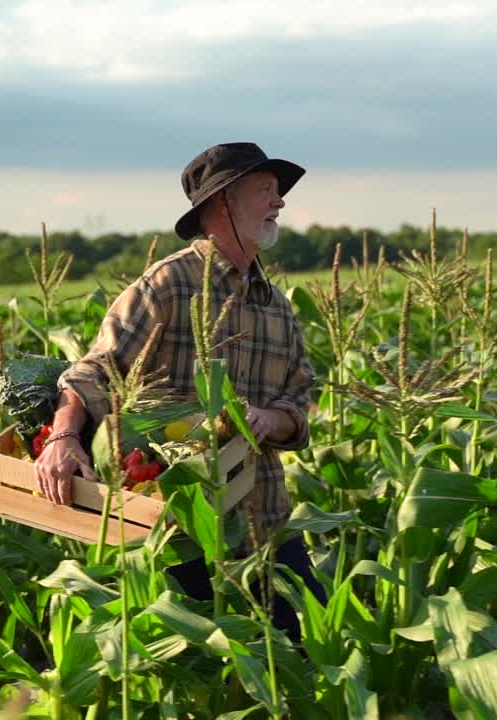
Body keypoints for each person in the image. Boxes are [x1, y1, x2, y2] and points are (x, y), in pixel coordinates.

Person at [33, 141, 326, 640]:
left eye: (278, 193)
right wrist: (62, 438)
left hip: (266, 523)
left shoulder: (275, 303)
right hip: (180, 534)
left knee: (313, 646)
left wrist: (268, 419)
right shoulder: (167, 286)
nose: (279, 203)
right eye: (266, 191)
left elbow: (300, 397)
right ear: (224, 202)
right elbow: (95, 371)